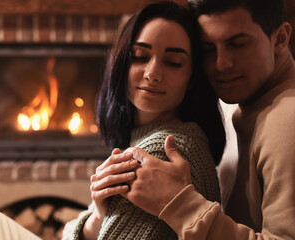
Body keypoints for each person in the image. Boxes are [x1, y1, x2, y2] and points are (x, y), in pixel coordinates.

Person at [99, 0, 295, 239]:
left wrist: (180, 204)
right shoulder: (248, 103)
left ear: (281, 38)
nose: (220, 64)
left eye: (238, 44)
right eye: (208, 49)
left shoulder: (288, 120)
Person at [62, 1, 226, 239]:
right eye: (139, 56)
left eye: (173, 62)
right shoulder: (146, 138)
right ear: (122, 64)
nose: (152, 73)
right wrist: (98, 216)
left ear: (192, 78)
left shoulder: (161, 151)